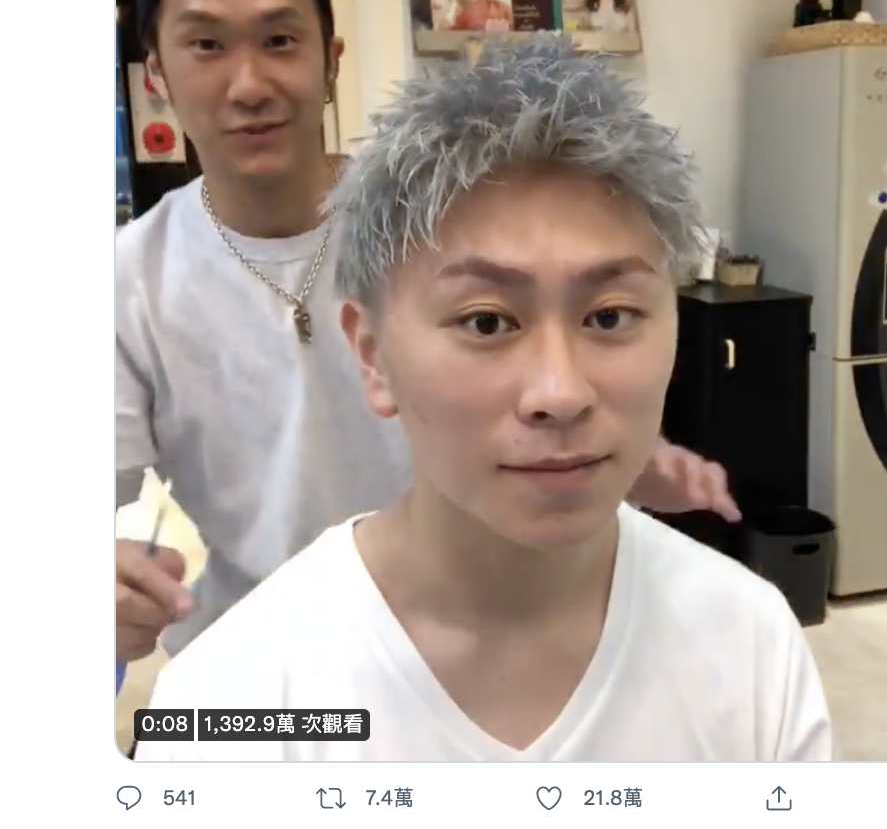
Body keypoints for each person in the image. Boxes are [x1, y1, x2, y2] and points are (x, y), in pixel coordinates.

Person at [135, 38, 831, 762]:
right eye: (488, 323)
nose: (560, 393)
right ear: (373, 355)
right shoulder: (234, 700)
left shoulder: (751, 646)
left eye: (609, 316)